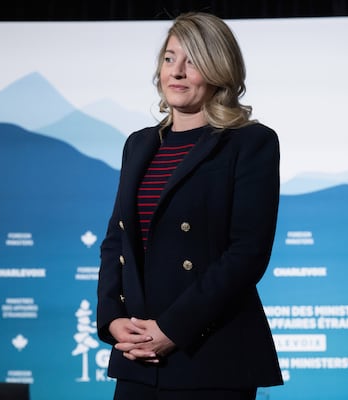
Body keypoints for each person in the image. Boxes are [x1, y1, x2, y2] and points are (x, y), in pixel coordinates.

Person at [96, 11, 283, 400]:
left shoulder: (250, 143)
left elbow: (247, 254)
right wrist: (112, 318)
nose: (177, 72)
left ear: (219, 69)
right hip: (138, 360)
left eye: (192, 60)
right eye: (169, 58)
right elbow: (118, 242)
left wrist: (172, 329)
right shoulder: (139, 143)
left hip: (209, 357)